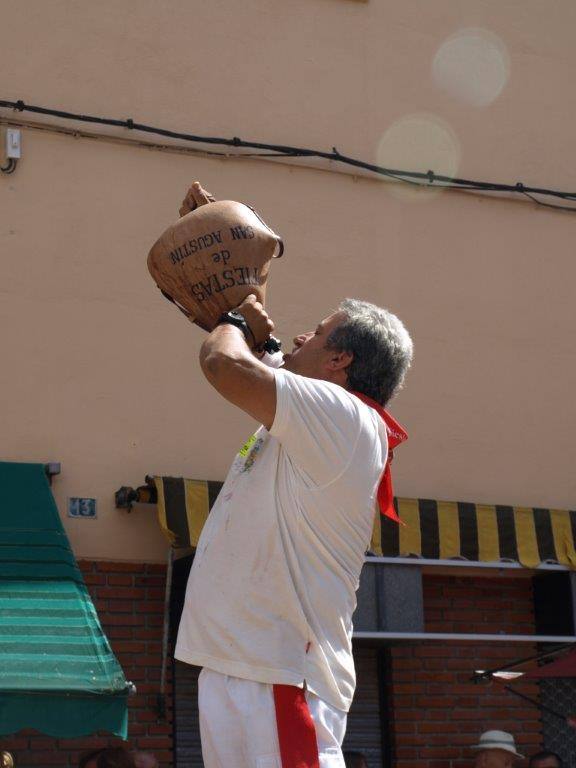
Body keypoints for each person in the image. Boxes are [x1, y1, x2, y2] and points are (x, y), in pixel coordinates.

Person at [174, 182, 413, 768]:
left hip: (281, 670)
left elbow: (225, 363)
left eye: (319, 332)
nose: (301, 337)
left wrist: (232, 311)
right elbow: (260, 352)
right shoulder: (325, 413)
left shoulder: (345, 414)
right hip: (248, 664)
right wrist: (238, 282)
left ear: (341, 362)